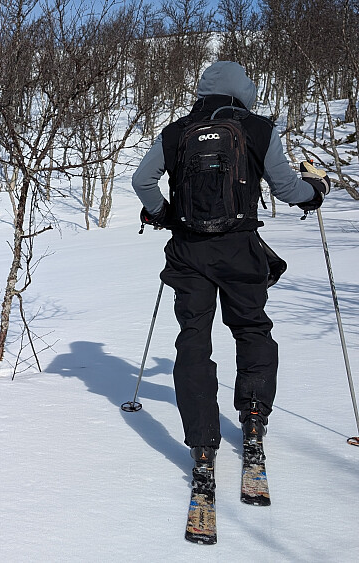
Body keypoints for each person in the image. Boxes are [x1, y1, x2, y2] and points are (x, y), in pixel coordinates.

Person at [130, 61, 331, 476]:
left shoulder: (176, 132)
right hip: (241, 250)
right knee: (252, 328)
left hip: (189, 253)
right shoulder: (259, 129)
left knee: (193, 341)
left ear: (203, 92)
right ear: (243, 91)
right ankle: (254, 420)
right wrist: (316, 190)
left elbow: (141, 181)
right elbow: (286, 188)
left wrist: (164, 215)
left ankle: (202, 446)